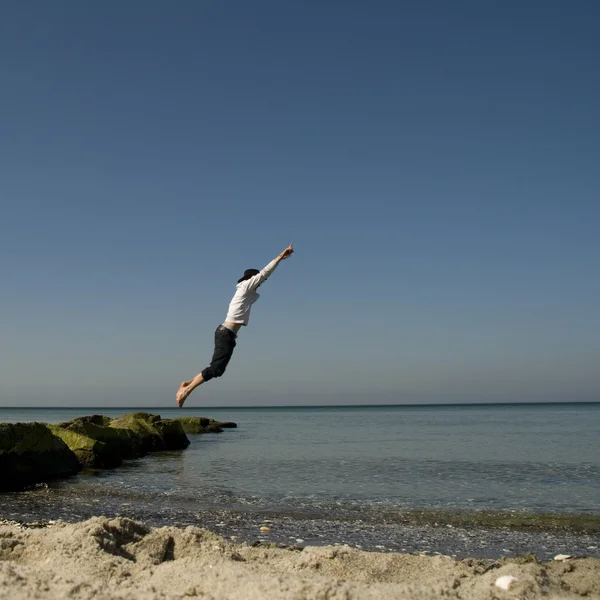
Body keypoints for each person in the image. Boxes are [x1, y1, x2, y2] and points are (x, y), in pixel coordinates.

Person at [176, 243, 294, 407]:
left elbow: (264, 276)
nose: (261, 283)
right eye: (259, 281)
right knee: (216, 369)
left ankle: (187, 384)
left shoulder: (245, 291)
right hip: (225, 333)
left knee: (218, 370)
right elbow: (265, 272)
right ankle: (186, 391)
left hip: (228, 333)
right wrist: (280, 257)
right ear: (252, 279)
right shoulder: (246, 287)